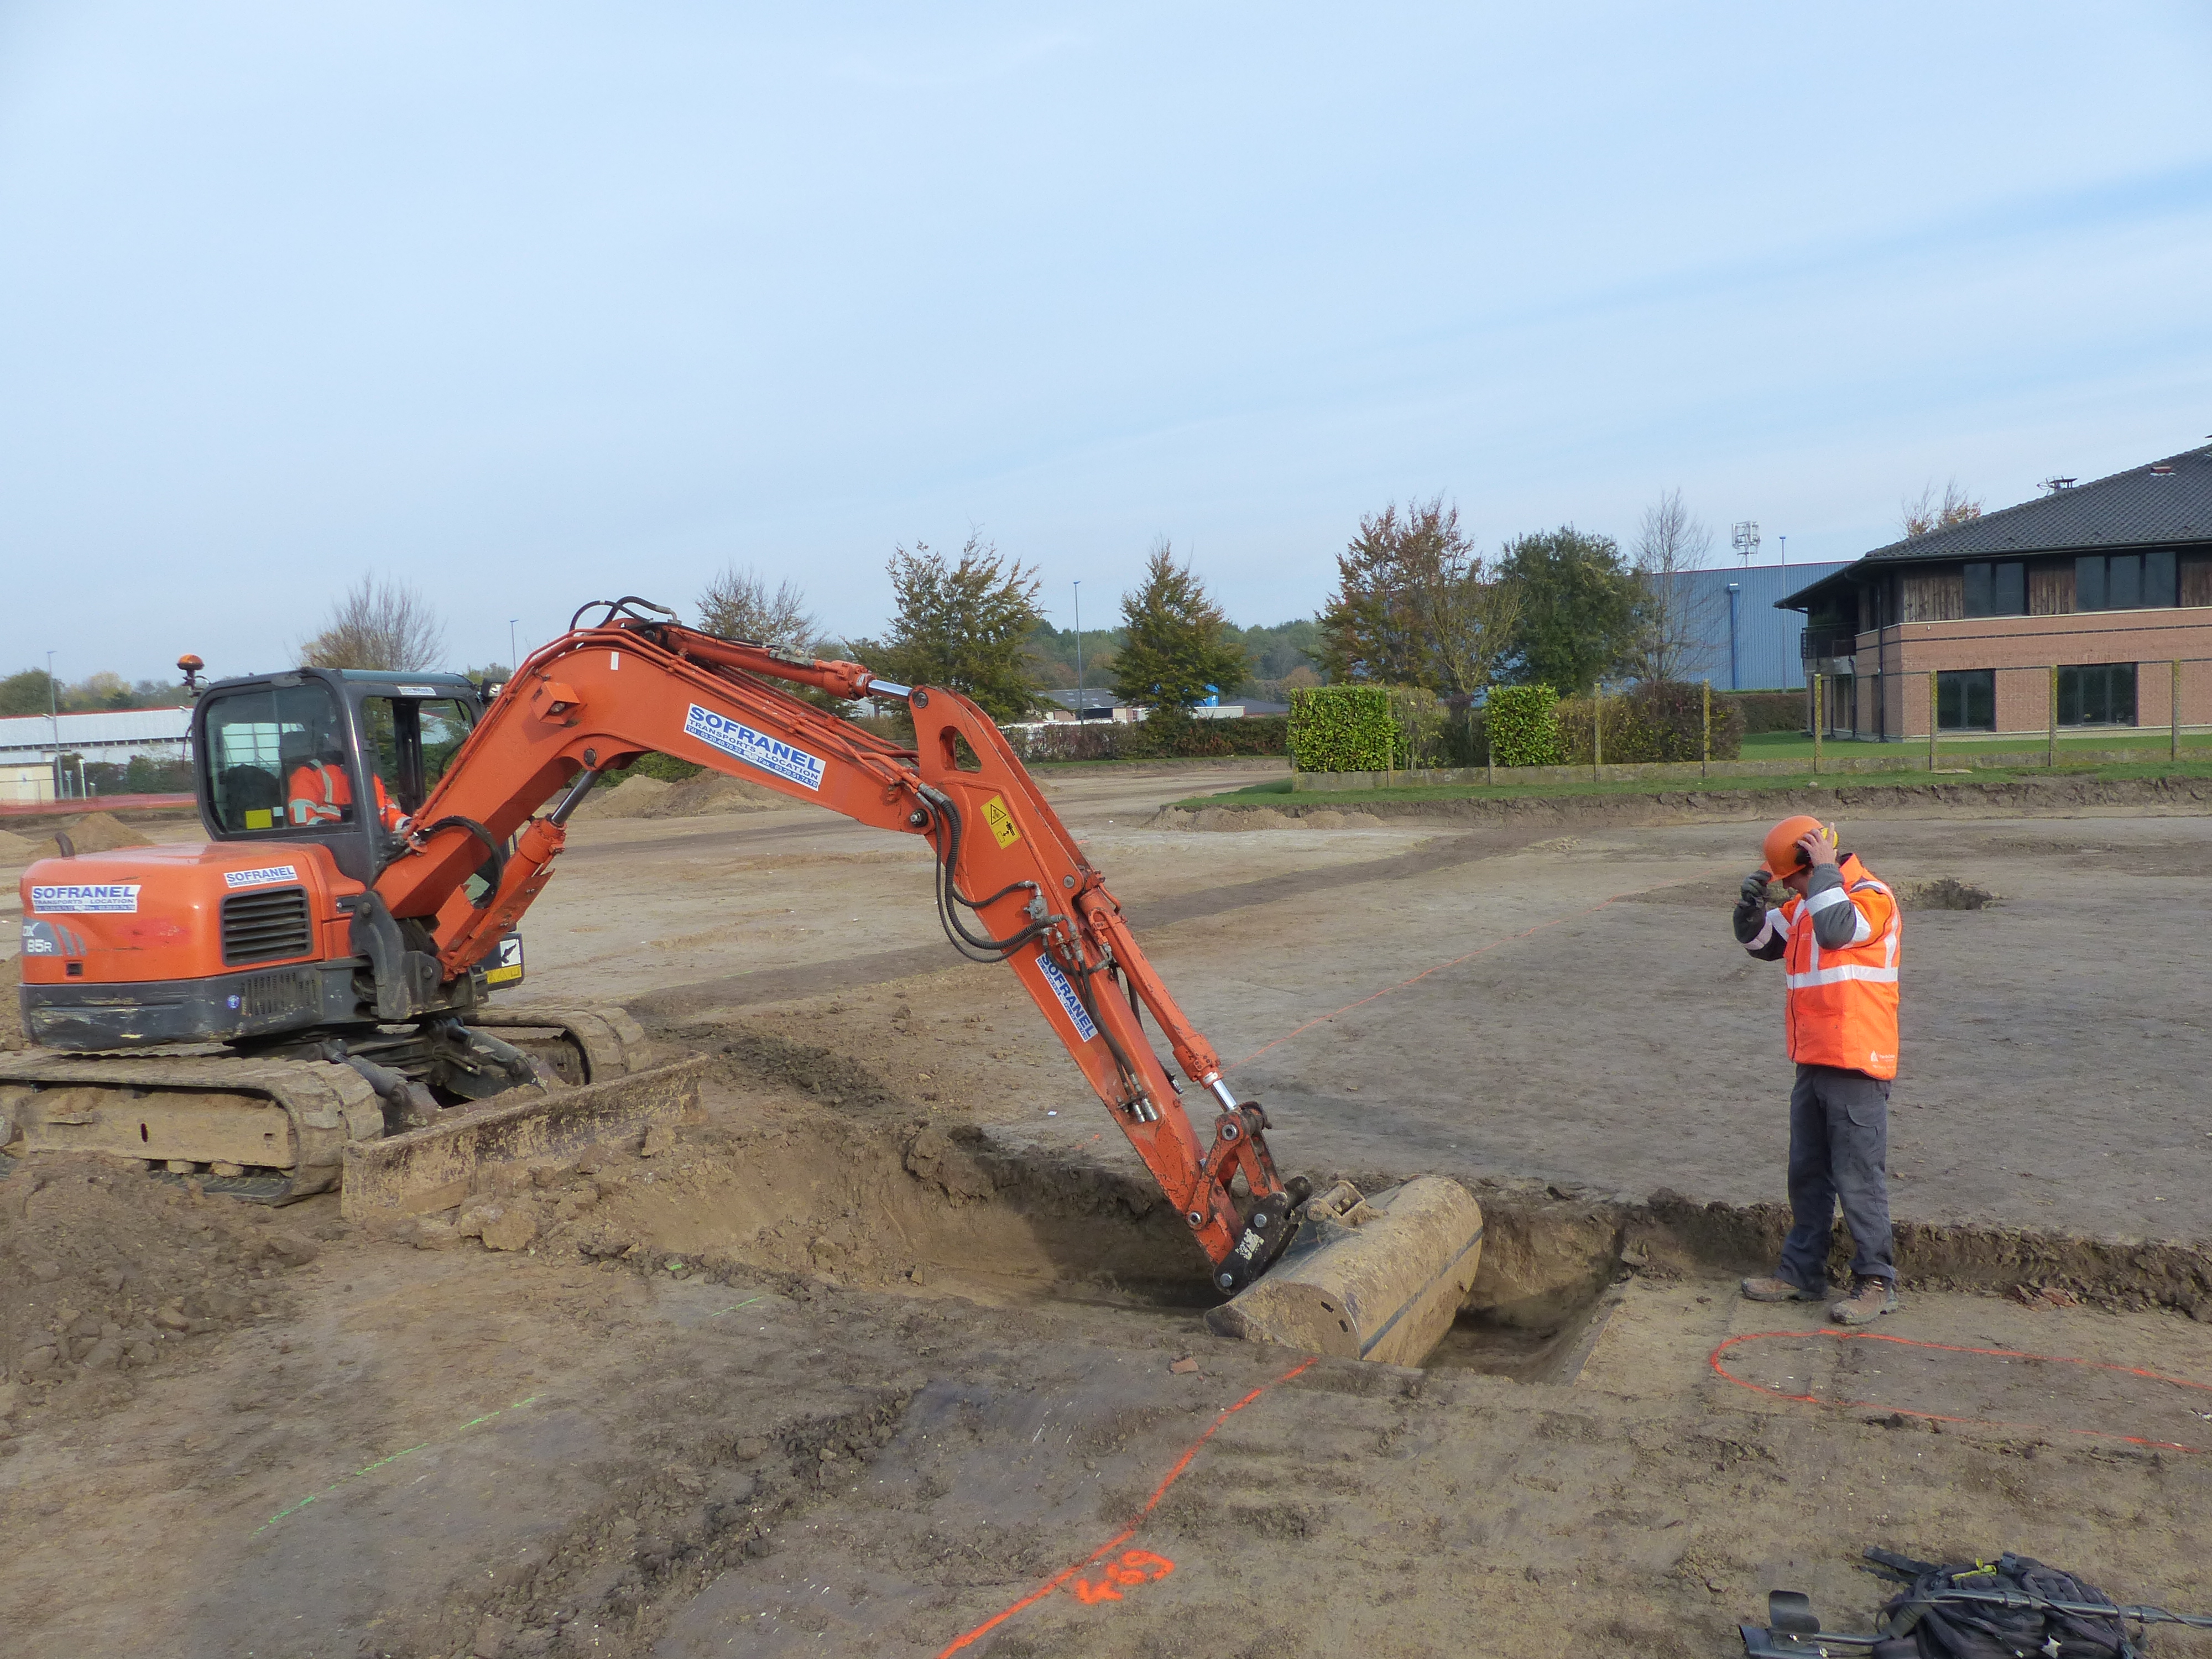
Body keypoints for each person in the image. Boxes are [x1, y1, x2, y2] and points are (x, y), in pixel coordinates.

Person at [1732, 814, 1902, 1326]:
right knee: (1808, 1174)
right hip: (1812, 1059)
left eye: (1792, 878)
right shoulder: (1809, 902)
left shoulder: (1869, 898)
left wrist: (1825, 874)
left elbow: (1836, 932)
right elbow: (1764, 945)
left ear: (1815, 862)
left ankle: (1877, 1282)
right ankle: (1802, 1273)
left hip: (1855, 1063)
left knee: (1857, 1177)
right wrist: (1748, 910)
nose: (1788, 888)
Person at [287, 743, 403, 832]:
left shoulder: (365, 773)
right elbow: (300, 815)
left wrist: (406, 824)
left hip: (362, 837)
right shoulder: (310, 772)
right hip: (326, 842)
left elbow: (384, 811)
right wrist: (324, 827)